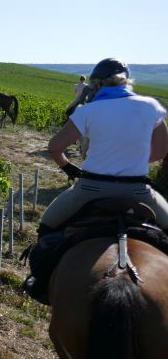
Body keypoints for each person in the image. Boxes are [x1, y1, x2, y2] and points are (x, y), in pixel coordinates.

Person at [23, 58, 168, 303]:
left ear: (97, 84)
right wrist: (134, 160)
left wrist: (69, 167)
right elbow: (163, 150)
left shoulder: (88, 111)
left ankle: (40, 281)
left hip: (90, 188)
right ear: (127, 81)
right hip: (138, 191)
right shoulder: (150, 106)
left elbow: (55, 147)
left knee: (47, 226)